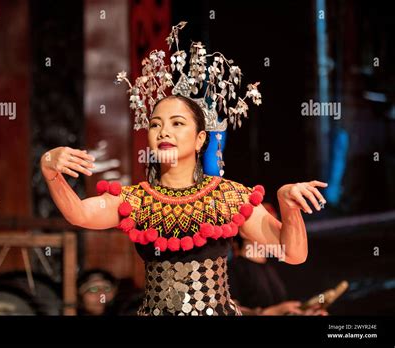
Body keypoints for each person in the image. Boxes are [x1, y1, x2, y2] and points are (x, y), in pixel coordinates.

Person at [40, 22, 328, 316]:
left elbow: (293, 253)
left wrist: (287, 204)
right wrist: (50, 169)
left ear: (200, 138)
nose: (164, 132)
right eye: (156, 124)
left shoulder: (227, 197)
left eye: (177, 123)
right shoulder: (135, 201)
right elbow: (79, 213)